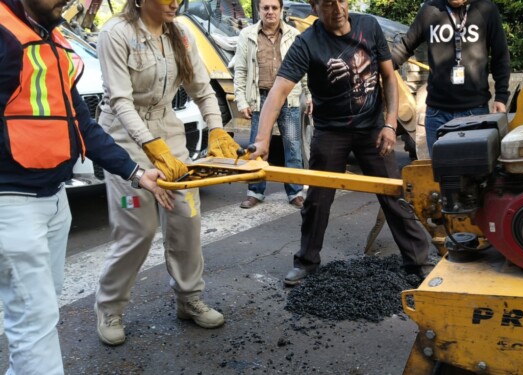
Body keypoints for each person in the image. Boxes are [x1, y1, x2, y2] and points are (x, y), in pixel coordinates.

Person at [0, 0, 171, 370]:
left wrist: (136, 173)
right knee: (35, 322)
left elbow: (83, 123)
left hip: (54, 199)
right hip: (11, 205)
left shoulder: (50, 37)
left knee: (37, 312)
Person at [248, 0, 432, 286]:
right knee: (317, 200)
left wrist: (390, 123)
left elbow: (388, 77)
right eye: (328, 4)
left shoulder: (368, 27)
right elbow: (278, 92)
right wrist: (261, 141)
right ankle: (307, 261)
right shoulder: (307, 43)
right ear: (314, 7)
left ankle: (418, 261)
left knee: (394, 193)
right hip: (330, 132)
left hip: (372, 128)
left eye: (341, 1)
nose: (337, 9)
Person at [93, 0, 243, 345]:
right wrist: (149, 147)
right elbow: (120, 100)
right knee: (138, 229)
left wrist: (218, 130)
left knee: (186, 218)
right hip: (124, 136)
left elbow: (202, 89)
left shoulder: (182, 33)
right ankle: (110, 307)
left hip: (168, 130)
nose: (174, 1)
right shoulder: (116, 34)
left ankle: (188, 298)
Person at [390, 0, 511, 155]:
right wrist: (376, 68)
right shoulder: (429, 10)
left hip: (475, 112)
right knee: (442, 173)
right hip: (437, 114)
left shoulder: (486, 9)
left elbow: (500, 56)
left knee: (475, 172)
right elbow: (404, 48)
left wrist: (501, 96)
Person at [234, 0, 311, 209]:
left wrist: (309, 94)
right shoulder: (247, 35)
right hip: (260, 99)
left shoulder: (293, 35)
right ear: (259, 10)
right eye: (265, 8)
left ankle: (295, 192)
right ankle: (255, 192)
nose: (270, 12)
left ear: (280, 10)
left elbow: (304, 69)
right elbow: (240, 70)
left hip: (290, 99)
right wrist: (241, 100)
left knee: (293, 148)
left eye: (274, 8)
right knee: (256, 148)